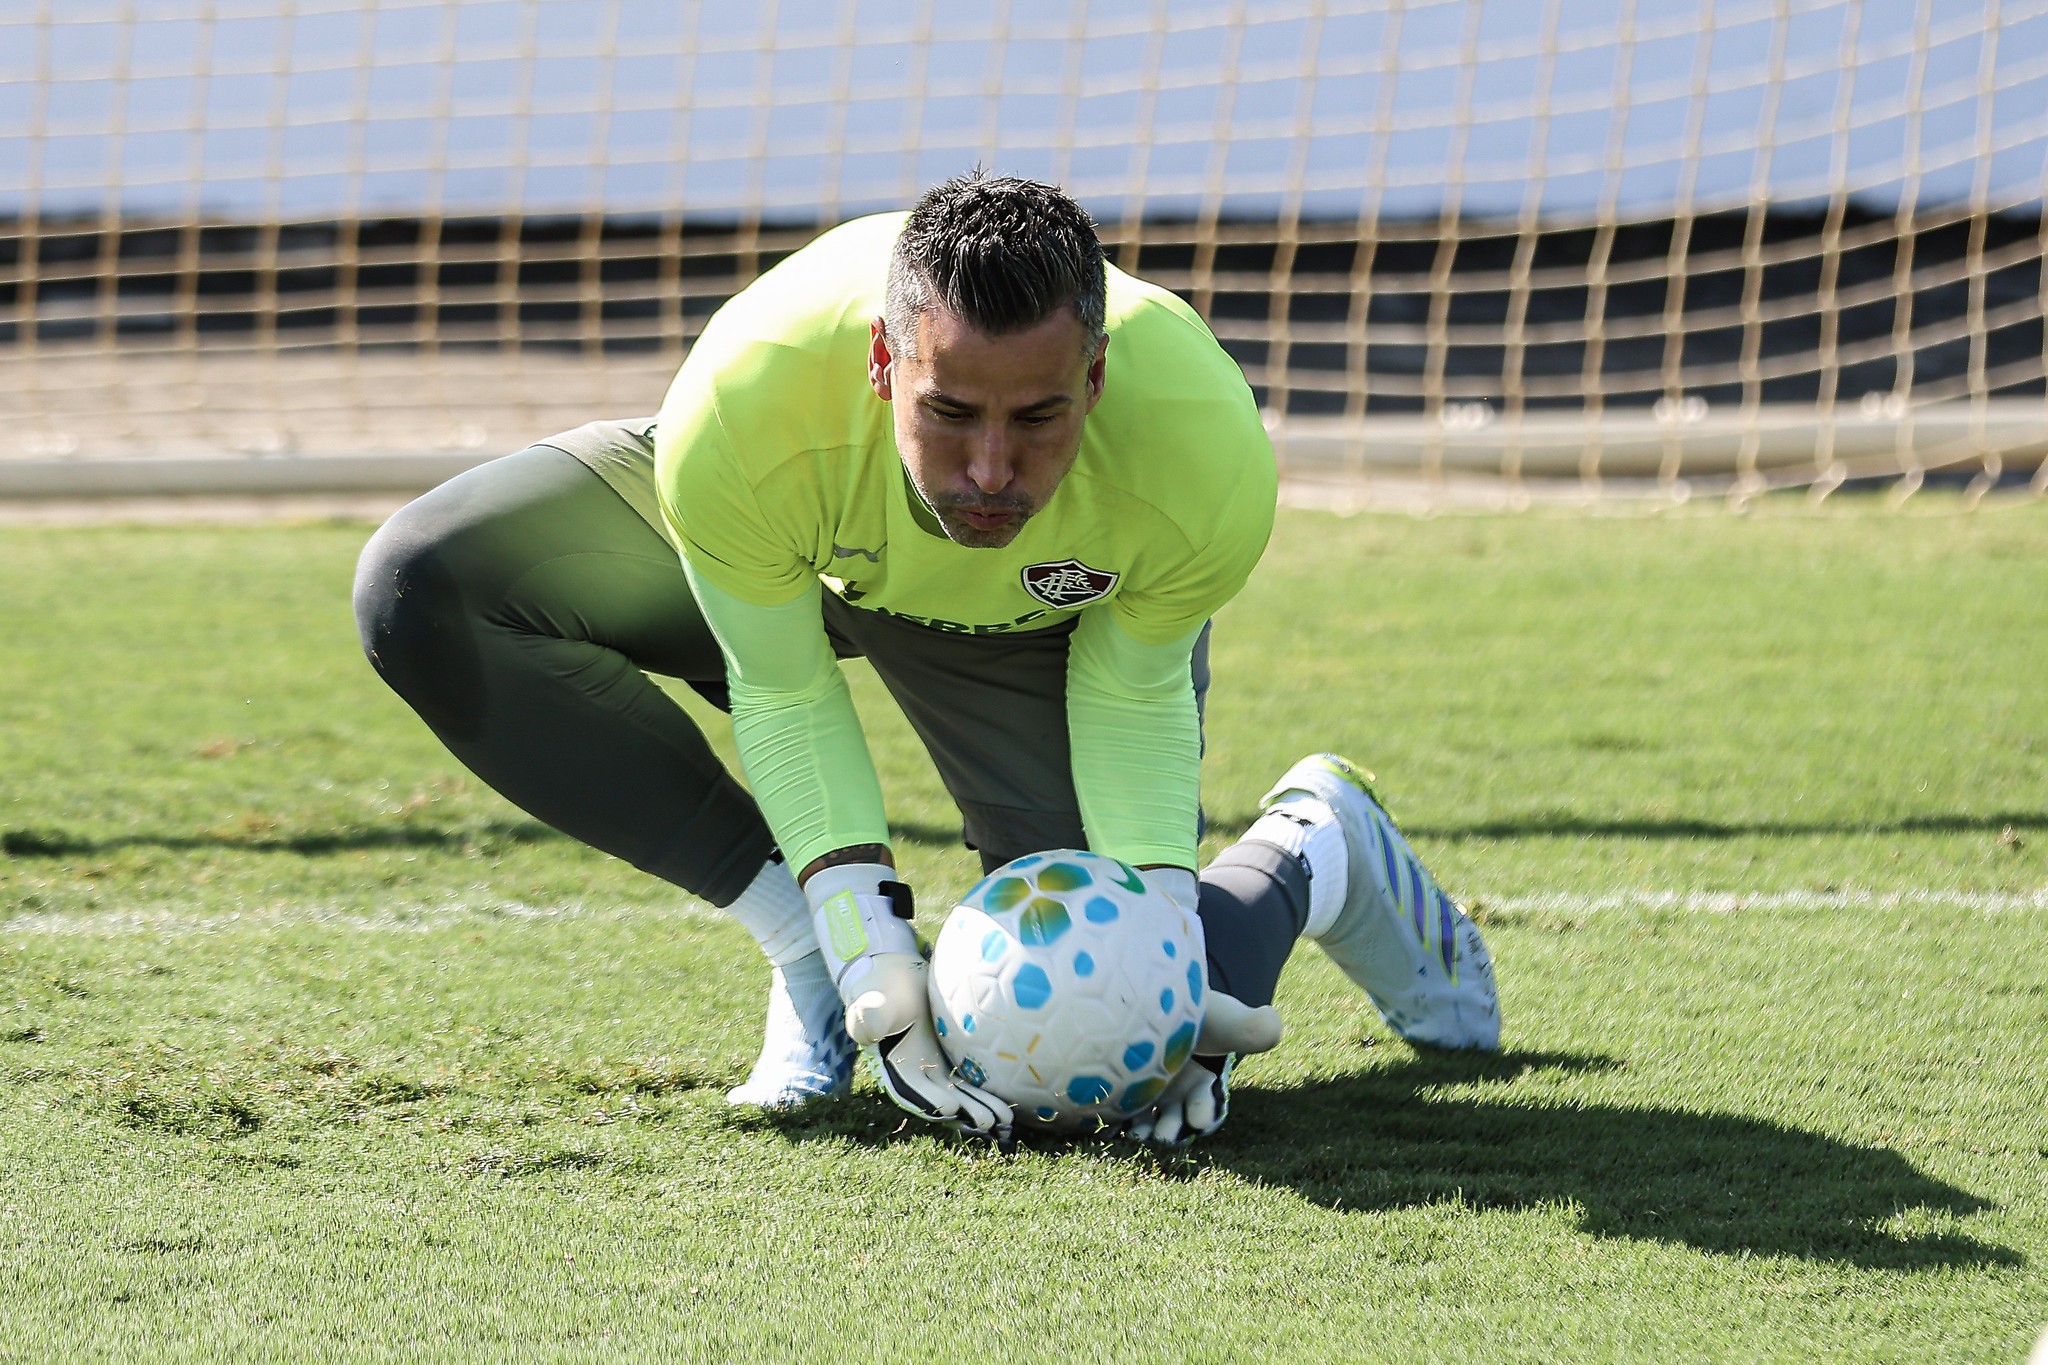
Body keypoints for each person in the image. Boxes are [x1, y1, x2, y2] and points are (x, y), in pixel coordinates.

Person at [353, 172, 1497, 1144]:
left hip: (1025, 624)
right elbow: (784, 684)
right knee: (429, 586)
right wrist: (855, 942)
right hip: (799, 542)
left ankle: (1314, 846)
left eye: (1037, 420)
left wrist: (1153, 953)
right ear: (881, 363)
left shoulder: (1201, 451)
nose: (990, 471)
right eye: (949, 412)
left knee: (1105, 1041)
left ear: (1094, 381)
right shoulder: (744, 400)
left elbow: (1132, 686)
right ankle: (803, 954)